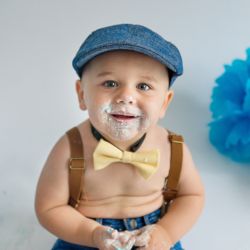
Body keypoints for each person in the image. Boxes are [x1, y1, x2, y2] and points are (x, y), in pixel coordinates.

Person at [35, 23, 205, 250]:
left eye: (143, 86)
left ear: (164, 102)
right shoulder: (71, 147)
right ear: (82, 94)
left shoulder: (171, 147)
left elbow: (191, 196)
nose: (126, 96)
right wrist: (92, 234)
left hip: (152, 234)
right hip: (83, 233)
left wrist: (166, 232)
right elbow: (49, 208)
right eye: (110, 83)